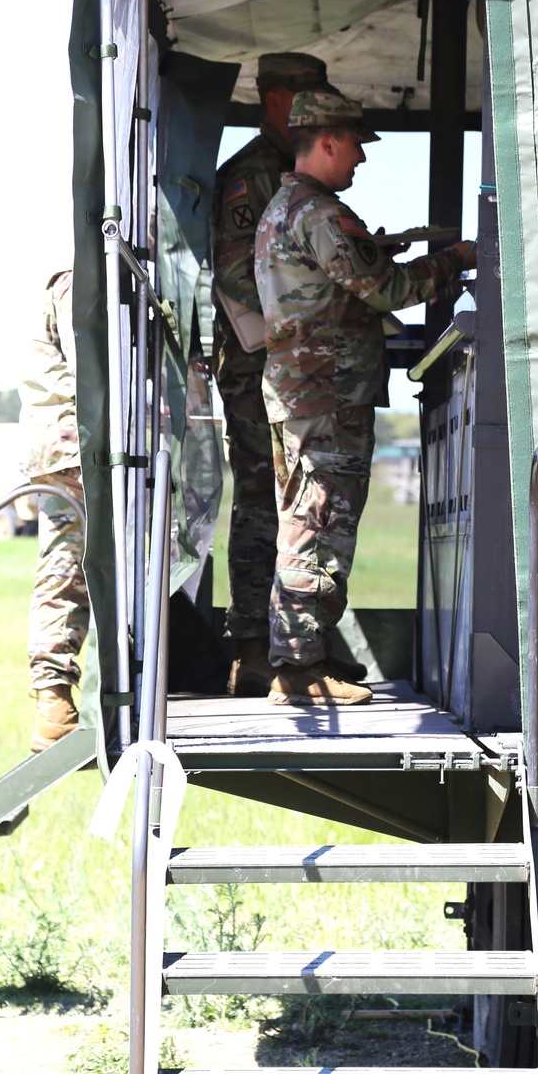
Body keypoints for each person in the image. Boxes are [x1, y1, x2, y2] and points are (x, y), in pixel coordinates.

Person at [255, 88, 477, 706]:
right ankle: (299, 671)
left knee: (304, 523)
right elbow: (384, 289)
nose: (361, 158)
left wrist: (380, 249)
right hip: (326, 397)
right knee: (317, 525)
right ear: (326, 141)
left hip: (304, 393)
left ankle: (302, 656)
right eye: (355, 144)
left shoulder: (284, 206)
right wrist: (453, 259)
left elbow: (347, 278)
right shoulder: (321, 213)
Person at [211, 51, 333, 697]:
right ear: (278, 99)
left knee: (307, 503)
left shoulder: (293, 175)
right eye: (308, 97)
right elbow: (235, 273)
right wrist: (305, 315)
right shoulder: (252, 176)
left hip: (293, 366)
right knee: (264, 503)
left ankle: (302, 640)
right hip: (259, 364)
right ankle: (256, 649)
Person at [19, 268, 88, 752]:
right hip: (72, 448)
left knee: (70, 567)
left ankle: (56, 698)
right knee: (65, 569)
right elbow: (96, 370)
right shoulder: (76, 283)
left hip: (71, 445)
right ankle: (52, 700)